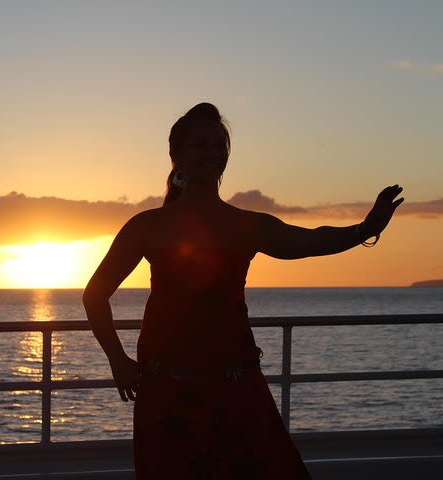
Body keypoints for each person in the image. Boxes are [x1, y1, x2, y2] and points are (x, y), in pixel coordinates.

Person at [82, 102, 404, 479]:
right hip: (168, 392)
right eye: (201, 144)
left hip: (236, 388)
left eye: (219, 145)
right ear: (177, 155)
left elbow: (310, 241)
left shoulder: (245, 225)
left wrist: (366, 228)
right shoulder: (148, 226)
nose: (213, 153)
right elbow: (95, 294)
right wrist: (117, 361)